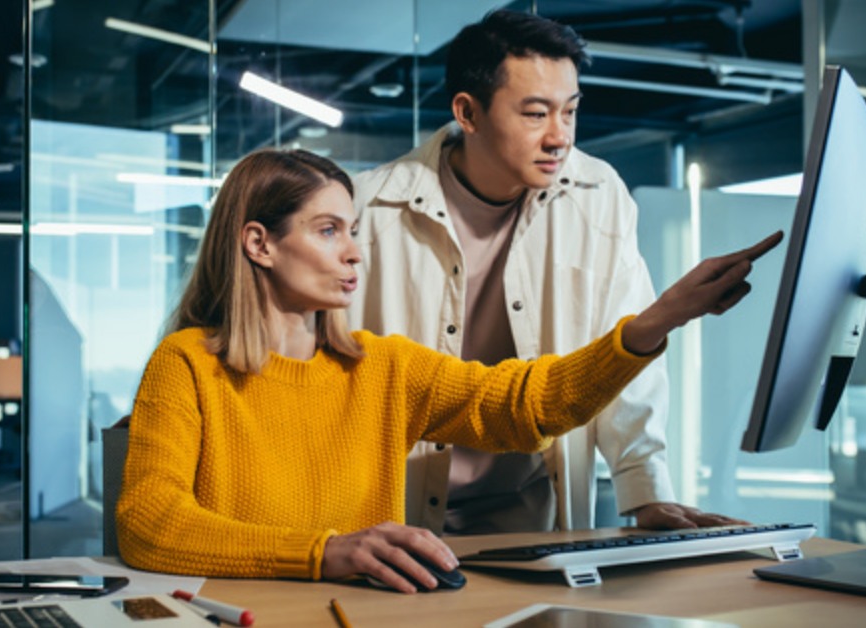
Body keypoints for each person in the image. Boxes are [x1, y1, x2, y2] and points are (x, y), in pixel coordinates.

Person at [116, 147, 781, 593]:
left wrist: (651, 324)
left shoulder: (381, 368)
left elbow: (526, 405)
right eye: (327, 232)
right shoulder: (187, 367)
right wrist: (323, 553)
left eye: (353, 231)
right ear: (259, 243)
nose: (354, 253)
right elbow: (150, 523)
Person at [349, 9, 730, 534]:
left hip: (532, 513)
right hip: (394, 515)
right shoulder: (368, 208)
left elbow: (619, 350)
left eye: (569, 112)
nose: (560, 137)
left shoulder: (599, 195)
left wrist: (644, 489)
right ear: (468, 112)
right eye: (535, 114)